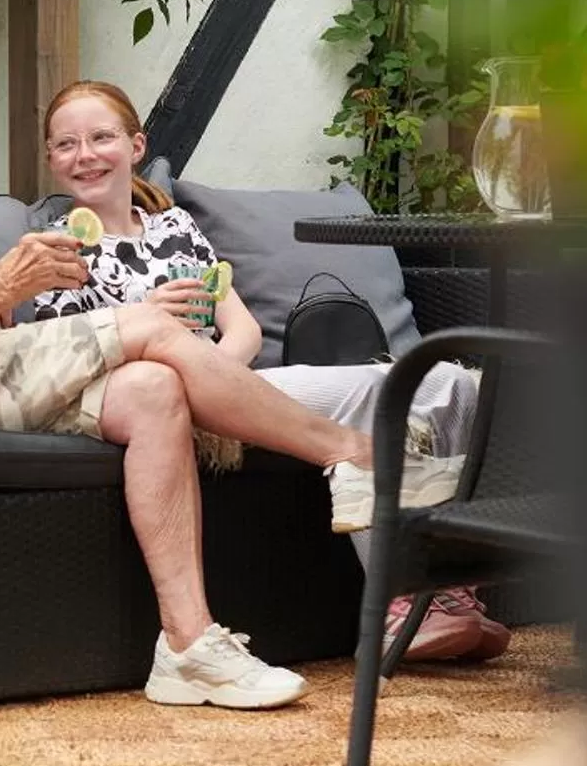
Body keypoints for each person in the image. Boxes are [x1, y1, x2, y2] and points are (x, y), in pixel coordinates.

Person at [0, 1, 383, 710]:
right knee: (152, 330)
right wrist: (6, 282)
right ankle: (349, 451)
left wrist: (4, 280)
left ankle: (188, 645)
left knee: (155, 387)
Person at [26, 80, 510, 664]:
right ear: (51, 160)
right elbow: (76, 362)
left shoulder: (175, 228)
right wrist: (162, 342)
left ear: (135, 146)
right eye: (66, 145)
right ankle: (403, 604)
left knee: (441, 383)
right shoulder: (54, 249)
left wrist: (218, 379)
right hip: (153, 400)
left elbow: (245, 330)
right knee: (367, 409)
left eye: (100, 137)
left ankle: (446, 587)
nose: (84, 155)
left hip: (231, 387)